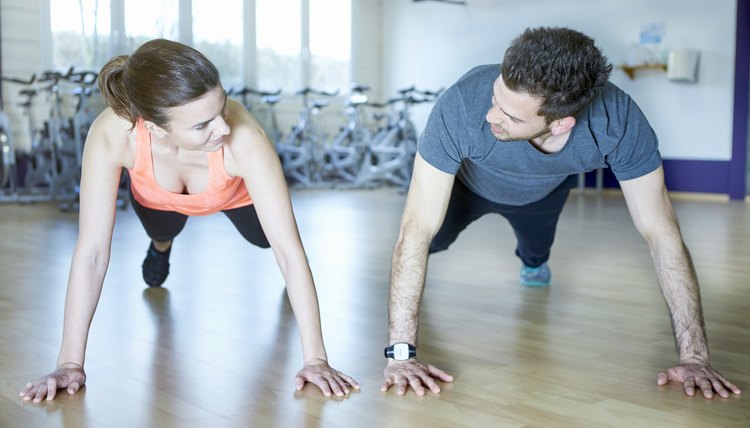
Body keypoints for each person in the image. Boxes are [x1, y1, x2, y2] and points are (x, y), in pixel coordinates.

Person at [381, 27, 742, 399]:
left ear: (560, 122)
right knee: (426, 244)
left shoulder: (618, 123)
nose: (491, 116)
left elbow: (662, 233)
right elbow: (416, 228)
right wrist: (401, 355)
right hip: (465, 187)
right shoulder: (460, 104)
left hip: (543, 195)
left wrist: (695, 357)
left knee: (536, 254)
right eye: (495, 98)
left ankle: (534, 261)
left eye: (511, 117)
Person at [19, 39, 359, 402]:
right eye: (202, 125)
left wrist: (317, 360)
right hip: (158, 200)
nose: (223, 129)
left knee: (266, 240)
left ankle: (167, 239)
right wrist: (70, 362)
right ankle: (161, 248)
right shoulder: (113, 134)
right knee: (163, 229)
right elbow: (91, 252)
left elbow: (289, 252)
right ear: (155, 127)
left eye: (222, 108)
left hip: (232, 194)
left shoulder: (244, 139)